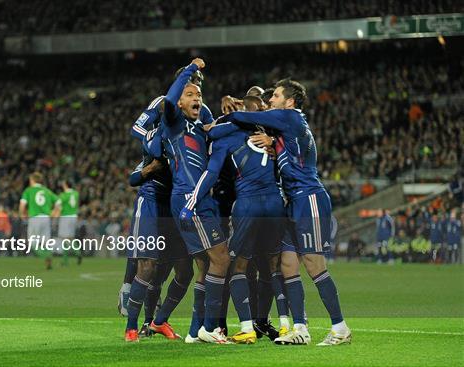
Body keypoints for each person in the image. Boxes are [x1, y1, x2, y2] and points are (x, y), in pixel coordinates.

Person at [217, 78, 351, 346]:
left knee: (314, 265)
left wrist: (234, 108)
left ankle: (340, 328)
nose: (272, 100)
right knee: (288, 263)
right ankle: (300, 328)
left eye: (276, 96)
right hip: (291, 202)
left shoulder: (292, 117)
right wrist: (273, 143)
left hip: (309, 198)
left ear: (289, 101)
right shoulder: (285, 129)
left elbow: (251, 116)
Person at [180, 116, 288, 344]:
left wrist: (190, 204)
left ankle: (247, 328)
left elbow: (210, 174)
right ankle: (287, 325)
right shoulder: (265, 135)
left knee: (237, 265)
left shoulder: (223, 141)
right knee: (274, 265)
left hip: (248, 204)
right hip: (275, 201)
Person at [147, 59, 230, 344]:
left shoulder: (200, 122)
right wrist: (186, 71)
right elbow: (170, 98)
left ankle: (195, 332)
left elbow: (215, 128)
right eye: (190, 95)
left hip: (196, 199)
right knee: (222, 258)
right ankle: (209, 326)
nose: (196, 98)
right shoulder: (172, 120)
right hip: (188, 198)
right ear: (180, 101)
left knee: (206, 267)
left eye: (199, 95)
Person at [19, 172, 61, 270]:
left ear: (33, 180)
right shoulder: (47, 191)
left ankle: (47, 255)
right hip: (46, 219)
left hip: (34, 218)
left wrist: (22, 215)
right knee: (45, 243)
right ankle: (48, 263)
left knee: (33, 243)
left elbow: (22, 204)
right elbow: (58, 201)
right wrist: (55, 212)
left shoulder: (29, 191)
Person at [57, 179, 81, 266]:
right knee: (71, 238)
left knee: (64, 238)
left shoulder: (63, 195)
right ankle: (78, 252)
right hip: (74, 216)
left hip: (66, 217)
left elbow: (58, 205)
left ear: (66, 185)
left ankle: (65, 261)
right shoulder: (76, 194)